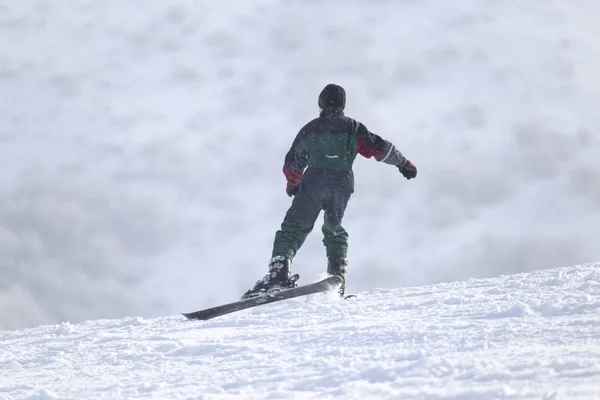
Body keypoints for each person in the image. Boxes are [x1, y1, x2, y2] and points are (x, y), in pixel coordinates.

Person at [242, 83, 417, 299]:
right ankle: (337, 278)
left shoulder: (311, 129)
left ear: (321, 105)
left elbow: (292, 163)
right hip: (342, 184)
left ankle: (279, 274)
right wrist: (404, 163)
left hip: (314, 182)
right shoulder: (354, 128)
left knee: (293, 228)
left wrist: (293, 184)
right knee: (334, 228)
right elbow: (381, 148)